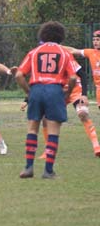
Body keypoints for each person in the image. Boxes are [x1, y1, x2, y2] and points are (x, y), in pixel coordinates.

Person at [15, 21, 80, 179]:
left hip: (36, 89)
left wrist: (29, 92)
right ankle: (48, 171)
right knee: (53, 131)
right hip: (55, 90)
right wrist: (68, 93)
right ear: (61, 37)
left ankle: (28, 168)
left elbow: (19, 75)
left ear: (42, 35)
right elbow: (73, 77)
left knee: (32, 128)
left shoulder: (34, 52)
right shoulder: (65, 53)